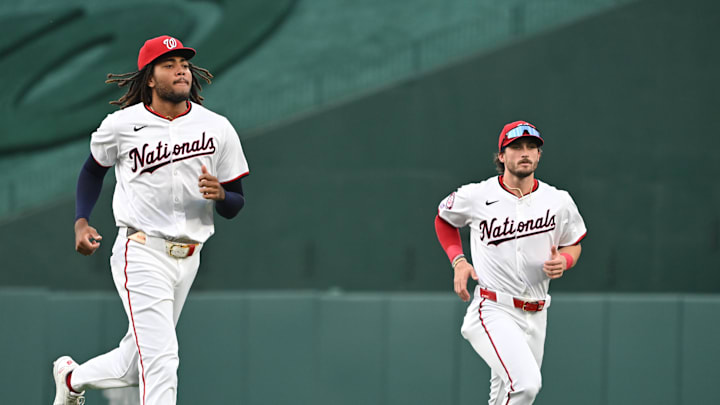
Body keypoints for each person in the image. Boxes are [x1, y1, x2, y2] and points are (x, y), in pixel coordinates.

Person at [52, 35, 250, 405]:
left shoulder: (217, 127)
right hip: (140, 250)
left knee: (133, 366)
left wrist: (222, 195)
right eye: (169, 64)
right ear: (150, 78)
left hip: (189, 257)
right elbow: (93, 171)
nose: (180, 70)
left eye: (184, 64)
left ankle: (71, 378)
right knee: (162, 359)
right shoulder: (122, 125)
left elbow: (235, 202)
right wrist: (81, 219)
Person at [434, 121, 586, 405]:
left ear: (539, 155)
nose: (525, 152)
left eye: (531, 147)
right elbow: (443, 218)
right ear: (501, 156)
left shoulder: (558, 200)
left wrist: (565, 261)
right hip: (494, 308)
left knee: (507, 396)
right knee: (526, 386)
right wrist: (458, 260)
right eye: (516, 147)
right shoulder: (478, 195)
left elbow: (574, 243)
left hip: (537, 312)